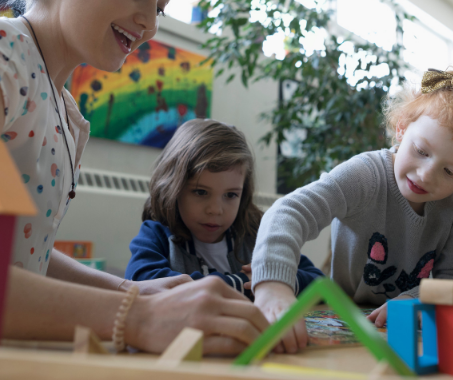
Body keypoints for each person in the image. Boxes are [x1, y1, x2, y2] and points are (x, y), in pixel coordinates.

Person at [0, 0, 267, 355]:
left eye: (159, 7)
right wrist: (138, 316)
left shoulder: (64, 110)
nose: (149, 24)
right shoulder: (4, 62)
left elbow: (20, 253)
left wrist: (130, 293)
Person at [251, 67, 453, 353]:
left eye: (451, 171)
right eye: (422, 151)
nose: (426, 175)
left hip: (401, 333)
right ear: (402, 129)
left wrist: (418, 299)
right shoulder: (365, 175)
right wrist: (272, 286)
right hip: (341, 318)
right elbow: (288, 212)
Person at [125, 119, 323, 296]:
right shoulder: (157, 234)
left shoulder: (257, 235)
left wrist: (275, 283)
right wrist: (246, 284)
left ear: (243, 193)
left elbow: (320, 283)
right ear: (173, 188)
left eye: (230, 195)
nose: (215, 210)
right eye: (201, 192)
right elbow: (141, 282)